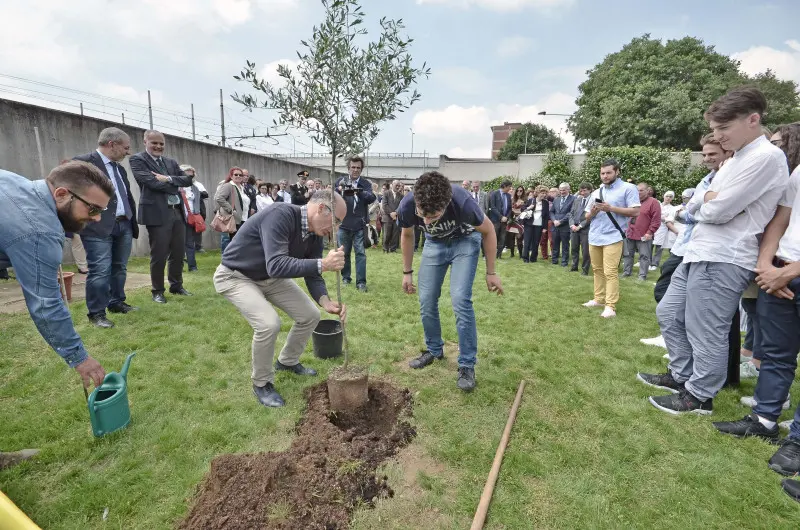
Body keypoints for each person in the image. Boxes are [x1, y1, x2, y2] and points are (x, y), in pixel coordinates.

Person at [638, 86, 788, 415]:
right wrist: (706, 203)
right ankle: (683, 375)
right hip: (699, 251)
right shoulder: (737, 159)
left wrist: (707, 205)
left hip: (725, 255)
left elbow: (718, 210)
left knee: (706, 328)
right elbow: (698, 202)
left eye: (723, 128)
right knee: (669, 313)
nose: (717, 137)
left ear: (753, 120)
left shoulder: (765, 158)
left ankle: (700, 395)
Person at [0, 163, 110, 458]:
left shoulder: (14, 181)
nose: (96, 219)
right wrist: (80, 358)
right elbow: (46, 305)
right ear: (61, 194)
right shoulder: (38, 228)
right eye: (92, 209)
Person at [213, 190, 347, 407]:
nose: (336, 228)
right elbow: (276, 264)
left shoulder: (314, 233)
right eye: (337, 221)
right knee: (268, 324)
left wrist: (325, 301)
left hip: (270, 277)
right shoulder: (280, 214)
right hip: (236, 276)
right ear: (322, 209)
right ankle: (262, 383)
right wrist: (324, 263)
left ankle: (287, 361)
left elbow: (311, 272)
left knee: (310, 315)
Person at [398, 171, 504, 392]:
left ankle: (466, 364)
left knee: (460, 299)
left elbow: (488, 231)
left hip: (465, 242)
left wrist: (491, 272)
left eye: (433, 216)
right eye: (422, 214)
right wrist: (407, 272)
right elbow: (407, 235)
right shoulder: (408, 204)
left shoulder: (463, 202)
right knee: (426, 299)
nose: (426, 221)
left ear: (446, 204)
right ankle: (434, 349)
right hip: (433, 245)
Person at [73, 127, 139, 328]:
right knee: (100, 270)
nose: (128, 152)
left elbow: (124, 195)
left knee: (119, 267)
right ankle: (96, 313)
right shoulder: (83, 163)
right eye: (126, 147)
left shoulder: (119, 168)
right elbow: (74, 196)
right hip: (97, 227)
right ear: (112, 144)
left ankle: (116, 302)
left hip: (123, 224)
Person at [129, 130, 195, 304]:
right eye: (154, 143)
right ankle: (157, 290)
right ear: (145, 142)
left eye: (161, 144)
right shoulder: (138, 160)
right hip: (157, 214)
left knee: (179, 252)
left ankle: (176, 286)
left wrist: (166, 179)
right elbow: (150, 182)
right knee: (159, 254)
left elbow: (188, 180)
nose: (158, 146)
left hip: (176, 211)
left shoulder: (170, 162)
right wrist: (174, 183)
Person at [582, 159, 641, 318]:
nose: (605, 176)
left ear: (617, 172)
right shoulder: (596, 192)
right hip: (594, 235)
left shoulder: (628, 188)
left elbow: (635, 211)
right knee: (597, 270)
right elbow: (586, 216)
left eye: (608, 173)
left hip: (613, 236)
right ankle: (599, 299)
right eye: (602, 173)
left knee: (610, 271)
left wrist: (611, 208)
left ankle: (610, 306)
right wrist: (593, 212)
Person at [335, 156, 376, 292]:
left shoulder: (365, 183)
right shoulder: (341, 181)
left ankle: (361, 282)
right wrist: (340, 190)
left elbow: (372, 197)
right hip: (344, 224)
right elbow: (333, 197)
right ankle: (346, 278)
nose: (355, 170)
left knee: (360, 254)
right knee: (344, 253)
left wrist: (358, 191)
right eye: (353, 167)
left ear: (361, 169)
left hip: (360, 224)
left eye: (358, 168)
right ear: (348, 168)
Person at [622, 182, 661, 281]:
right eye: (637, 190)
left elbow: (656, 220)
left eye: (641, 190)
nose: (638, 192)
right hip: (629, 232)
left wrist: (650, 232)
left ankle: (642, 275)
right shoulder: (632, 201)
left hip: (644, 234)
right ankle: (627, 272)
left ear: (647, 191)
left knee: (644, 256)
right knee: (627, 254)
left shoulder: (654, 202)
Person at [215, 167, 248, 254]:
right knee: (228, 240)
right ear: (231, 176)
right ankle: (226, 261)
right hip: (231, 217)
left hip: (242, 218)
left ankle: (234, 261)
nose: (238, 176)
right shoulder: (229, 185)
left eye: (240, 175)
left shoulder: (241, 187)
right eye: (235, 174)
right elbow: (219, 198)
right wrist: (231, 210)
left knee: (237, 241)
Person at [179, 164, 204, 273]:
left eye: (191, 176)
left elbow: (198, 203)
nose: (190, 178)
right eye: (187, 175)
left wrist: (197, 215)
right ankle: (177, 266)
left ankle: (192, 266)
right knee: (177, 243)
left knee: (190, 243)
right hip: (178, 218)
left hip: (191, 218)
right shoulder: (177, 187)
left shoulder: (195, 188)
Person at [520, 185, 550, 263]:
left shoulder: (546, 203)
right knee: (527, 241)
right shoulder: (530, 200)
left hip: (539, 225)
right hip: (529, 224)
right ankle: (525, 258)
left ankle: (533, 258)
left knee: (536, 242)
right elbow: (522, 209)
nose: (544, 195)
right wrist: (529, 207)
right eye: (542, 193)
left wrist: (545, 228)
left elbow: (546, 216)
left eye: (545, 193)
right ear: (537, 193)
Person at [569, 182, 594, 275]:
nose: (582, 193)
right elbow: (571, 213)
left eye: (585, 190)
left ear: (590, 190)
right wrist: (572, 225)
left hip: (585, 229)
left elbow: (591, 216)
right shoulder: (577, 200)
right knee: (574, 249)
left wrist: (580, 226)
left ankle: (585, 269)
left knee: (585, 251)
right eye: (581, 190)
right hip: (574, 228)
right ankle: (574, 266)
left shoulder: (593, 201)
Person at [550, 183, 575, 267]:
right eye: (560, 190)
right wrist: (554, 220)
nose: (562, 192)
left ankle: (564, 262)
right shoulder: (556, 199)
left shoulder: (573, 199)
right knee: (555, 244)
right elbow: (551, 211)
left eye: (564, 190)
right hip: (555, 225)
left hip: (565, 226)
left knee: (565, 245)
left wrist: (560, 221)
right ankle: (554, 260)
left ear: (568, 189)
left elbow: (571, 213)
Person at [487, 180, 512, 259]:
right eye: (509, 187)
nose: (510, 188)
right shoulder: (494, 194)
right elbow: (493, 207)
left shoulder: (508, 196)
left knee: (503, 238)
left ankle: (499, 255)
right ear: (504, 186)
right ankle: (492, 254)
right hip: (495, 220)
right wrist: (501, 217)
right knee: (494, 238)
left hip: (505, 221)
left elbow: (510, 208)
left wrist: (506, 217)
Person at [652, 191, 677, 269]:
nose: (668, 198)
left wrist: (660, 217)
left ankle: (654, 264)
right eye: (667, 196)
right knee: (649, 245)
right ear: (664, 196)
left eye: (670, 197)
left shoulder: (672, 208)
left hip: (662, 229)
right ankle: (647, 262)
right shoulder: (657, 205)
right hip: (652, 226)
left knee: (659, 247)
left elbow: (669, 219)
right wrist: (662, 217)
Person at [381, 180, 404, 253]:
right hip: (387, 217)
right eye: (396, 185)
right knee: (387, 234)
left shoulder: (401, 196)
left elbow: (401, 206)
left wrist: (396, 213)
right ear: (392, 185)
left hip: (396, 217)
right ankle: (385, 248)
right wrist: (391, 213)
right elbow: (384, 205)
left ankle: (393, 249)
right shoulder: (386, 193)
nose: (397, 187)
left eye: (398, 185)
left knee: (395, 234)